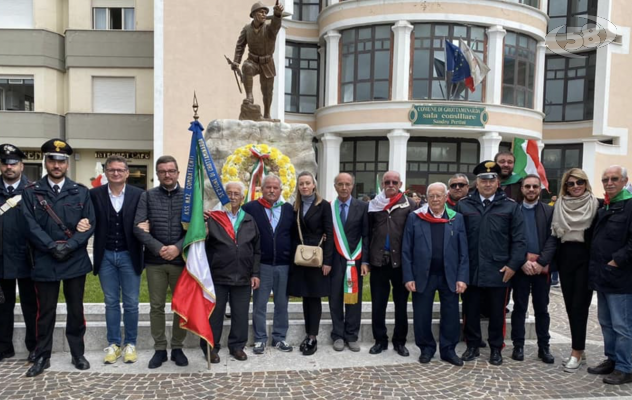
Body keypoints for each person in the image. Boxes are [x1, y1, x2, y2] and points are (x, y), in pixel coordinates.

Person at [22, 139, 96, 377]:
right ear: (45, 162)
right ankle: (42, 356)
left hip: (74, 260)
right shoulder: (32, 193)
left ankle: (77, 353)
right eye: (52, 160)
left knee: (76, 310)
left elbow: (90, 223)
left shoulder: (81, 192)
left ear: (67, 165)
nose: (56, 165)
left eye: (61, 161)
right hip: (45, 259)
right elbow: (30, 225)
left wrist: (70, 245)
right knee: (45, 312)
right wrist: (52, 246)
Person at [457, 160, 526, 366]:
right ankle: (472, 345)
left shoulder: (511, 207)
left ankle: (496, 348)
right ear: (476, 183)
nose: (487, 184)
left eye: (492, 179)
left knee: (497, 313)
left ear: (498, 183)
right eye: (483, 180)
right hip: (472, 268)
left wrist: (513, 266)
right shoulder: (464, 205)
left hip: (499, 269)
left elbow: (520, 239)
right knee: (470, 310)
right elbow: (457, 239)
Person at [402, 182, 469, 366]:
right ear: (427, 198)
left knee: (451, 316)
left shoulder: (457, 219)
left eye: (439, 195)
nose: (435, 199)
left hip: (450, 276)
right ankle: (426, 348)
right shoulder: (415, 218)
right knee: (422, 315)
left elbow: (464, 252)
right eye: (431, 196)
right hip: (423, 275)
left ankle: (448, 350)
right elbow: (406, 250)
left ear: (446, 197)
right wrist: (408, 277)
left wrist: (462, 277)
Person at [133, 155, 188, 369]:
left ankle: (177, 347)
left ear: (177, 173)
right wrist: (158, 248)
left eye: (171, 171)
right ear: (157, 174)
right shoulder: (148, 196)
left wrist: (177, 247)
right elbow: (138, 227)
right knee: (156, 306)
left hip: (181, 261)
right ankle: (159, 349)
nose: (167, 174)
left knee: (181, 307)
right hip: (155, 261)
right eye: (163, 171)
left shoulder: (189, 196)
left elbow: (197, 229)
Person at [89, 155, 144, 364]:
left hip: (130, 255)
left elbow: (147, 218)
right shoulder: (94, 194)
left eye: (120, 170)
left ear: (127, 173)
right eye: (112, 170)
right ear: (106, 173)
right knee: (111, 302)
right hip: (105, 256)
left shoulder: (139, 195)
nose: (116, 173)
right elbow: (88, 218)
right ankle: (113, 343)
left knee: (131, 303)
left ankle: (130, 343)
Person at [204, 181, 260, 363]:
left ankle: (237, 347)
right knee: (215, 315)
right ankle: (211, 347)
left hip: (243, 276)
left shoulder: (250, 220)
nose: (233, 197)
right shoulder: (213, 218)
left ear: (243, 198)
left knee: (240, 314)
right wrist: (202, 225)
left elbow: (257, 250)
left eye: (237, 194)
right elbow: (202, 245)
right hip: (218, 276)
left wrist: (255, 273)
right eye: (229, 193)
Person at [587, 166, 632, 385]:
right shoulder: (605, 206)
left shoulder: (630, 205)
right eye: (605, 179)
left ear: (625, 181)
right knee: (606, 322)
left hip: (621, 277)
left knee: (622, 325)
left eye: (614, 179)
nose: (609, 182)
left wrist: (616, 260)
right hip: (603, 276)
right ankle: (612, 359)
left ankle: (626, 367)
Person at [551, 168, 598, 372]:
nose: (576, 186)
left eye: (580, 182)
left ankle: (576, 352)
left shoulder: (597, 205)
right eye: (571, 183)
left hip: (586, 259)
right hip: (565, 258)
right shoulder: (559, 205)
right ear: (565, 186)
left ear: (586, 183)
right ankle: (579, 346)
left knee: (580, 306)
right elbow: (554, 236)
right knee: (570, 306)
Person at [242, 174, 294, 354]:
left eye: (275, 188)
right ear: (261, 189)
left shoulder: (288, 209)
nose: (272, 190)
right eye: (268, 187)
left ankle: (279, 338)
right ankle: (260, 339)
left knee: (282, 303)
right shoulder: (250, 208)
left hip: (283, 264)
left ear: (281, 190)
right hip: (261, 265)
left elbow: (294, 235)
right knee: (259, 304)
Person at [510, 175, 557, 364]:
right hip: (520, 268)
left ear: (540, 189)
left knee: (542, 309)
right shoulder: (513, 211)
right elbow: (508, 239)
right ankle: (518, 346)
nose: (531, 189)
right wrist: (521, 261)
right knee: (519, 308)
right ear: (521, 189)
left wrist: (541, 262)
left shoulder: (549, 211)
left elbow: (553, 239)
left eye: (534, 186)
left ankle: (543, 347)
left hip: (541, 269)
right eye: (527, 186)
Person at [368, 170, 414, 357]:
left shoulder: (410, 204)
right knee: (378, 304)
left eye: (394, 181)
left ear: (400, 184)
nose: (391, 185)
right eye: (387, 182)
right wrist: (366, 260)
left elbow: (414, 235)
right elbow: (367, 233)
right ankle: (380, 340)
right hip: (379, 261)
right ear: (382, 184)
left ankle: (399, 341)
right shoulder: (373, 205)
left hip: (400, 263)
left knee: (401, 304)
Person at [288, 171, 333, 356]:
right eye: (301, 184)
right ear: (298, 187)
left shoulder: (323, 206)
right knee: (305, 297)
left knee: (314, 298)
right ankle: (308, 334)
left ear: (314, 185)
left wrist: (328, 261)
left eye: (307, 183)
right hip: (300, 258)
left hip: (316, 257)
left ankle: (312, 337)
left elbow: (329, 233)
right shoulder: (295, 206)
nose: (304, 186)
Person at [0, 144, 37, 363]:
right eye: (5, 163)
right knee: (2, 306)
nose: (9, 167)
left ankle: (34, 346)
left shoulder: (32, 191)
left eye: (13, 163)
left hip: (27, 258)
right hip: (1, 258)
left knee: (30, 305)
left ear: (22, 166)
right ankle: (4, 348)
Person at [329, 173, 369, 352]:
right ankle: (337, 335)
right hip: (335, 259)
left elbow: (367, 235)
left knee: (353, 298)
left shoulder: (362, 207)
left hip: (355, 259)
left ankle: (352, 335)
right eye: (340, 184)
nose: (344, 187)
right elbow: (328, 236)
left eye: (347, 184)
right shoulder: (329, 208)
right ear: (335, 186)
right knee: (335, 297)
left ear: (353, 186)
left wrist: (365, 261)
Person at [231, 1, 284, 120]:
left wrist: (277, 15)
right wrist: (236, 61)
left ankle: (267, 114)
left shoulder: (269, 29)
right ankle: (249, 97)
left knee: (267, 91)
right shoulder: (246, 29)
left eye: (265, 12)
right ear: (254, 15)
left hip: (267, 62)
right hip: (253, 61)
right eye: (261, 12)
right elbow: (240, 45)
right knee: (246, 67)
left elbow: (276, 26)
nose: (264, 14)